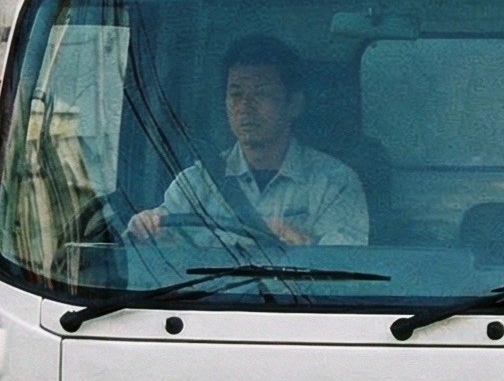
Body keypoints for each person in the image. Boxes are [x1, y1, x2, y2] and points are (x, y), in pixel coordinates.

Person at [129, 35, 369, 248]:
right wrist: (144, 227)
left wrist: (302, 243)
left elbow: (349, 270)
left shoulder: (334, 183)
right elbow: (147, 257)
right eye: (235, 94)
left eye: (261, 93)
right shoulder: (195, 184)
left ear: (294, 104)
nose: (244, 107)